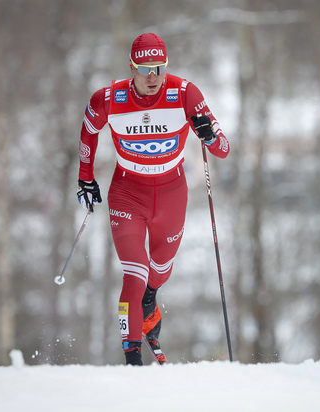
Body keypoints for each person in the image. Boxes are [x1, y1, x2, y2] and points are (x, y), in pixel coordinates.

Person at [76, 33, 229, 366]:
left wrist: (209, 135)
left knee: (159, 270)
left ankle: (149, 299)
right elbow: (89, 129)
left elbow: (224, 150)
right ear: (131, 67)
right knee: (135, 272)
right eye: (144, 68)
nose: (152, 76)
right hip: (127, 192)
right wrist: (85, 177)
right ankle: (132, 360)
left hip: (172, 193)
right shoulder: (109, 98)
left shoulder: (186, 93)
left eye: (158, 67)